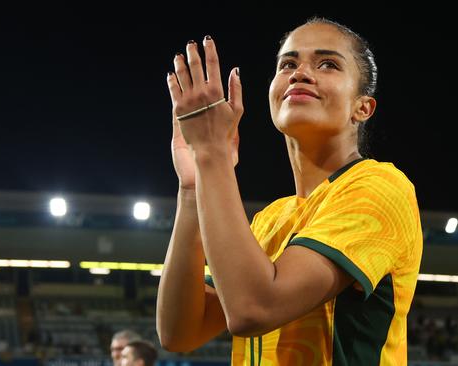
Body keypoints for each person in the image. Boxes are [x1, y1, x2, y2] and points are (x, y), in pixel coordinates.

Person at [156, 17, 423, 365]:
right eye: (288, 64)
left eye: (327, 64)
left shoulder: (380, 188)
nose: (301, 73)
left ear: (362, 107)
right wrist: (193, 190)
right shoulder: (270, 219)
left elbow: (253, 308)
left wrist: (212, 156)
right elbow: (179, 333)